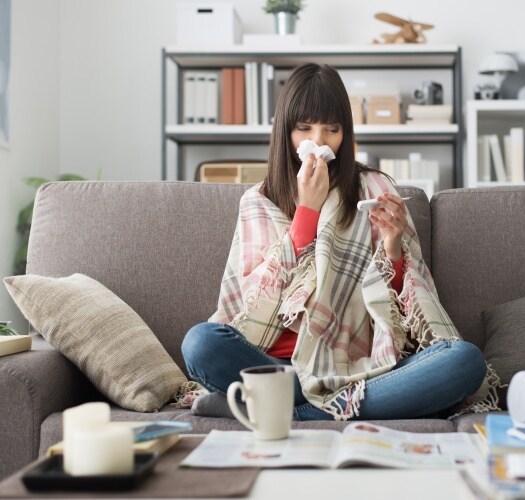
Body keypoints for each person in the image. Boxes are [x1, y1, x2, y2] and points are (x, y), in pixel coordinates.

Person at [182, 63, 496, 421]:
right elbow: (257, 304)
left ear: (346, 133)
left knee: (464, 360)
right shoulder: (259, 201)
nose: (319, 141)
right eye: (305, 129)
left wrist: (393, 249)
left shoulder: (375, 188)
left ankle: (286, 410)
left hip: (361, 367)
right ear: (285, 131)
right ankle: (311, 402)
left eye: (332, 129)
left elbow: (404, 317)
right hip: (275, 365)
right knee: (200, 343)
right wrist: (307, 212)